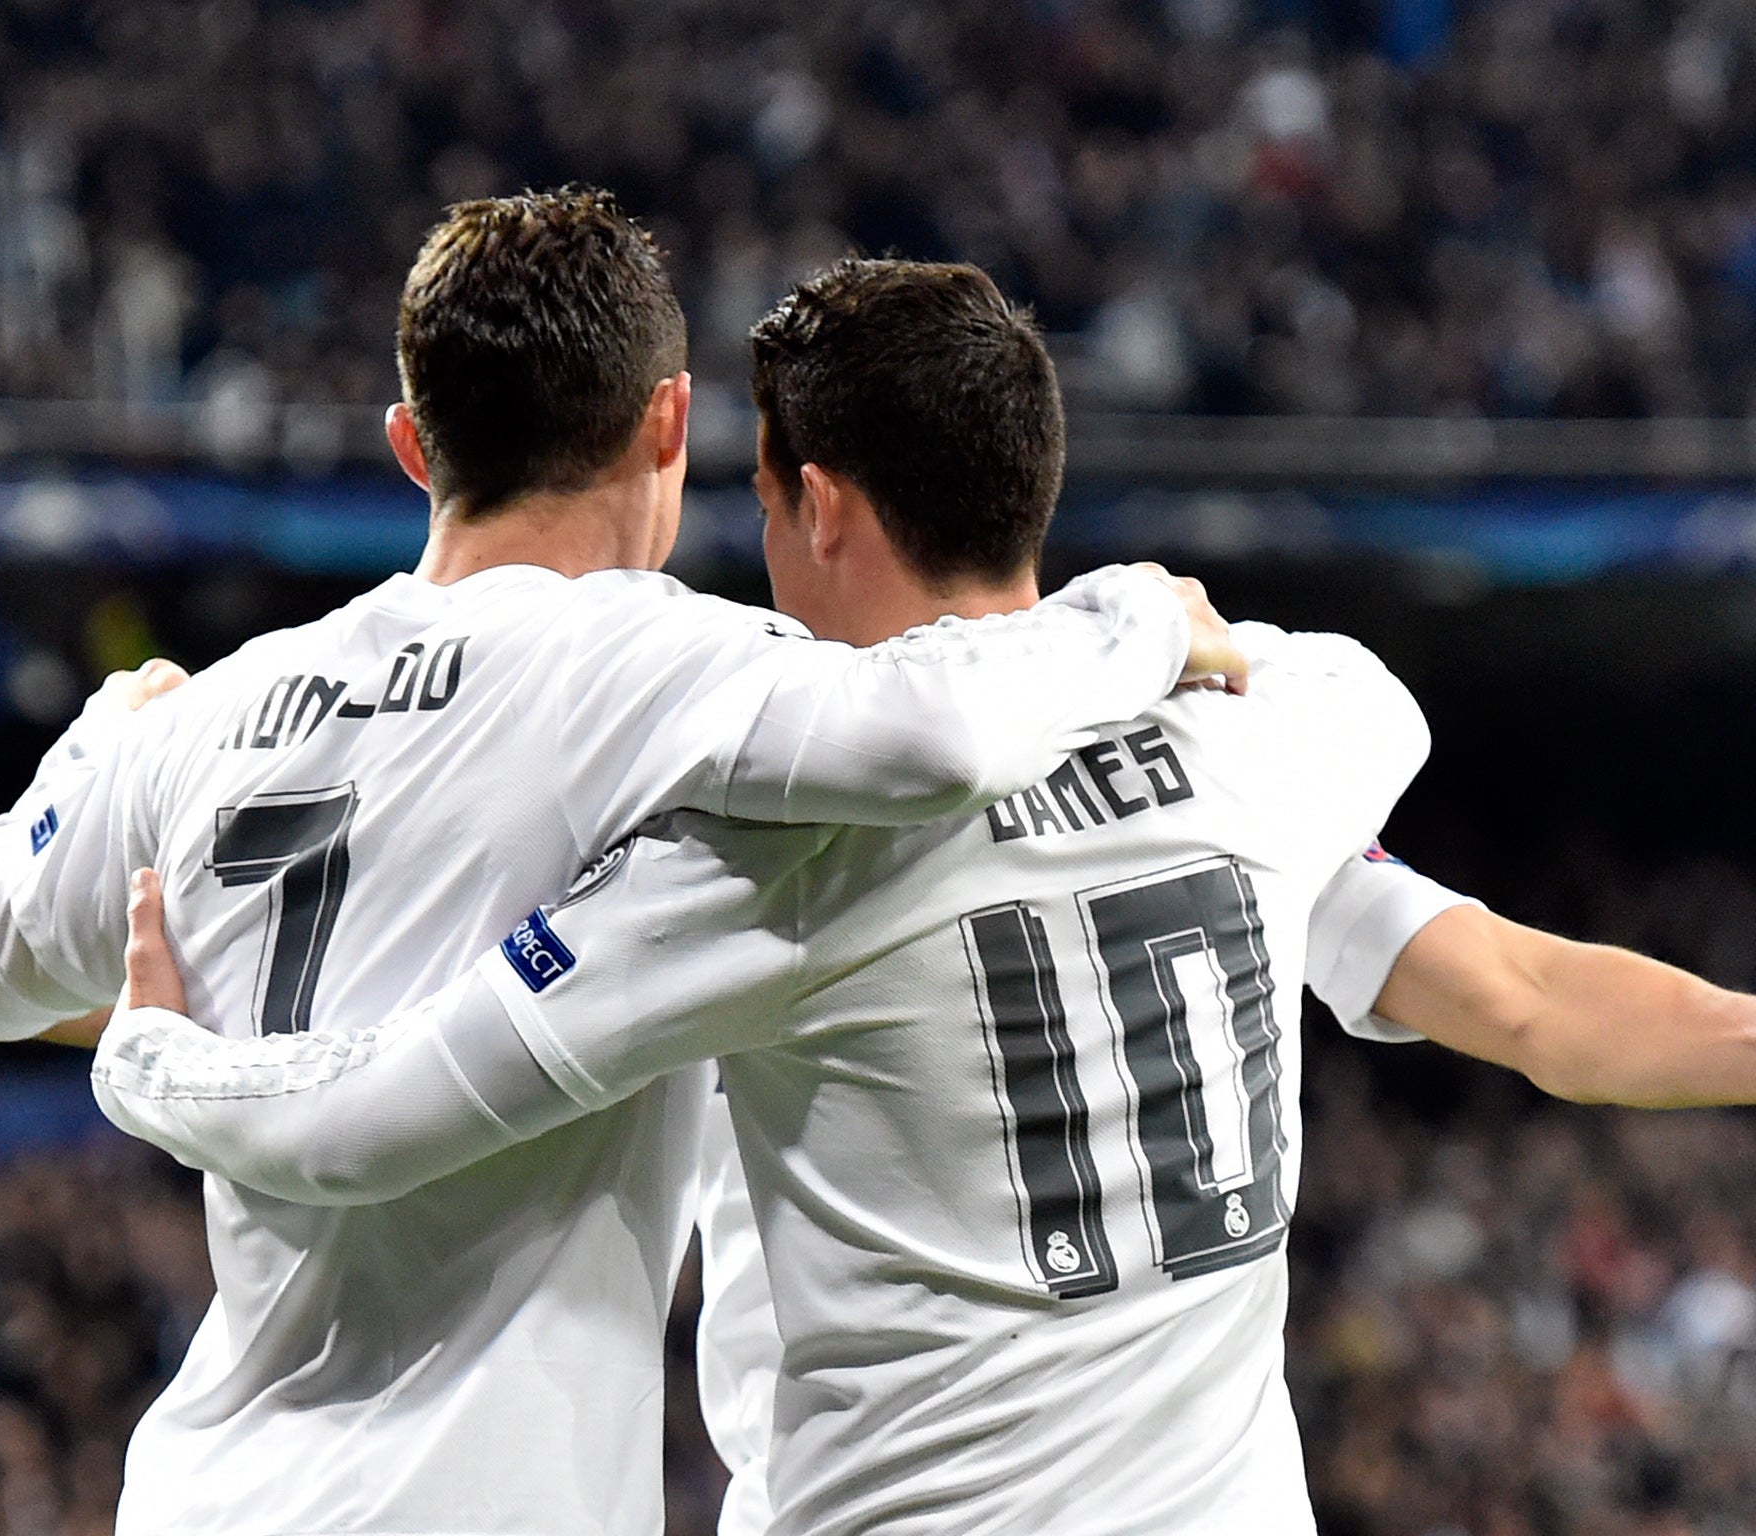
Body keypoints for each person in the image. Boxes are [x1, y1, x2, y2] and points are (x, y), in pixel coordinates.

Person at [87, 259, 1756, 1535]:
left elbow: (379, 1111)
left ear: (818, 503)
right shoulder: (1254, 740)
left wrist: (157, 1059)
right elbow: (1542, 1009)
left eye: (756, 491)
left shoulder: (766, 853)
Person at [0, 193, 1245, 1536]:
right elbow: (943, 732)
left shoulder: (207, 718)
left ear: (413, 445)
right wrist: (1136, 623)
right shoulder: (656, 669)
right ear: (670, 428)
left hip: (207, 1490)